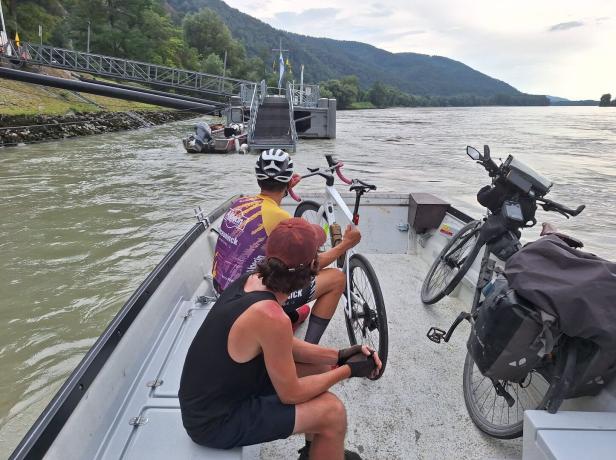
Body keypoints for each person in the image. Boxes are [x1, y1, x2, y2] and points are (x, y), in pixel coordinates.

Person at [179, 218, 381, 459]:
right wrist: (348, 370)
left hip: (217, 396)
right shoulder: (271, 316)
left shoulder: (251, 280)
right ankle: (325, 439)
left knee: (319, 369)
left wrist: (338, 356)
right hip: (215, 422)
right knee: (333, 412)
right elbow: (291, 394)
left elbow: (283, 342)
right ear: (313, 266)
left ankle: (315, 452)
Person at [212, 148, 361, 344]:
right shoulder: (279, 218)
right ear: (289, 181)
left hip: (222, 291)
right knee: (336, 279)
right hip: (247, 304)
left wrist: (285, 188)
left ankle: (288, 317)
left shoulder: (240, 203)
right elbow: (312, 266)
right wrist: (345, 244)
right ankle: (308, 349)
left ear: (258, 180)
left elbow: (266, 214)